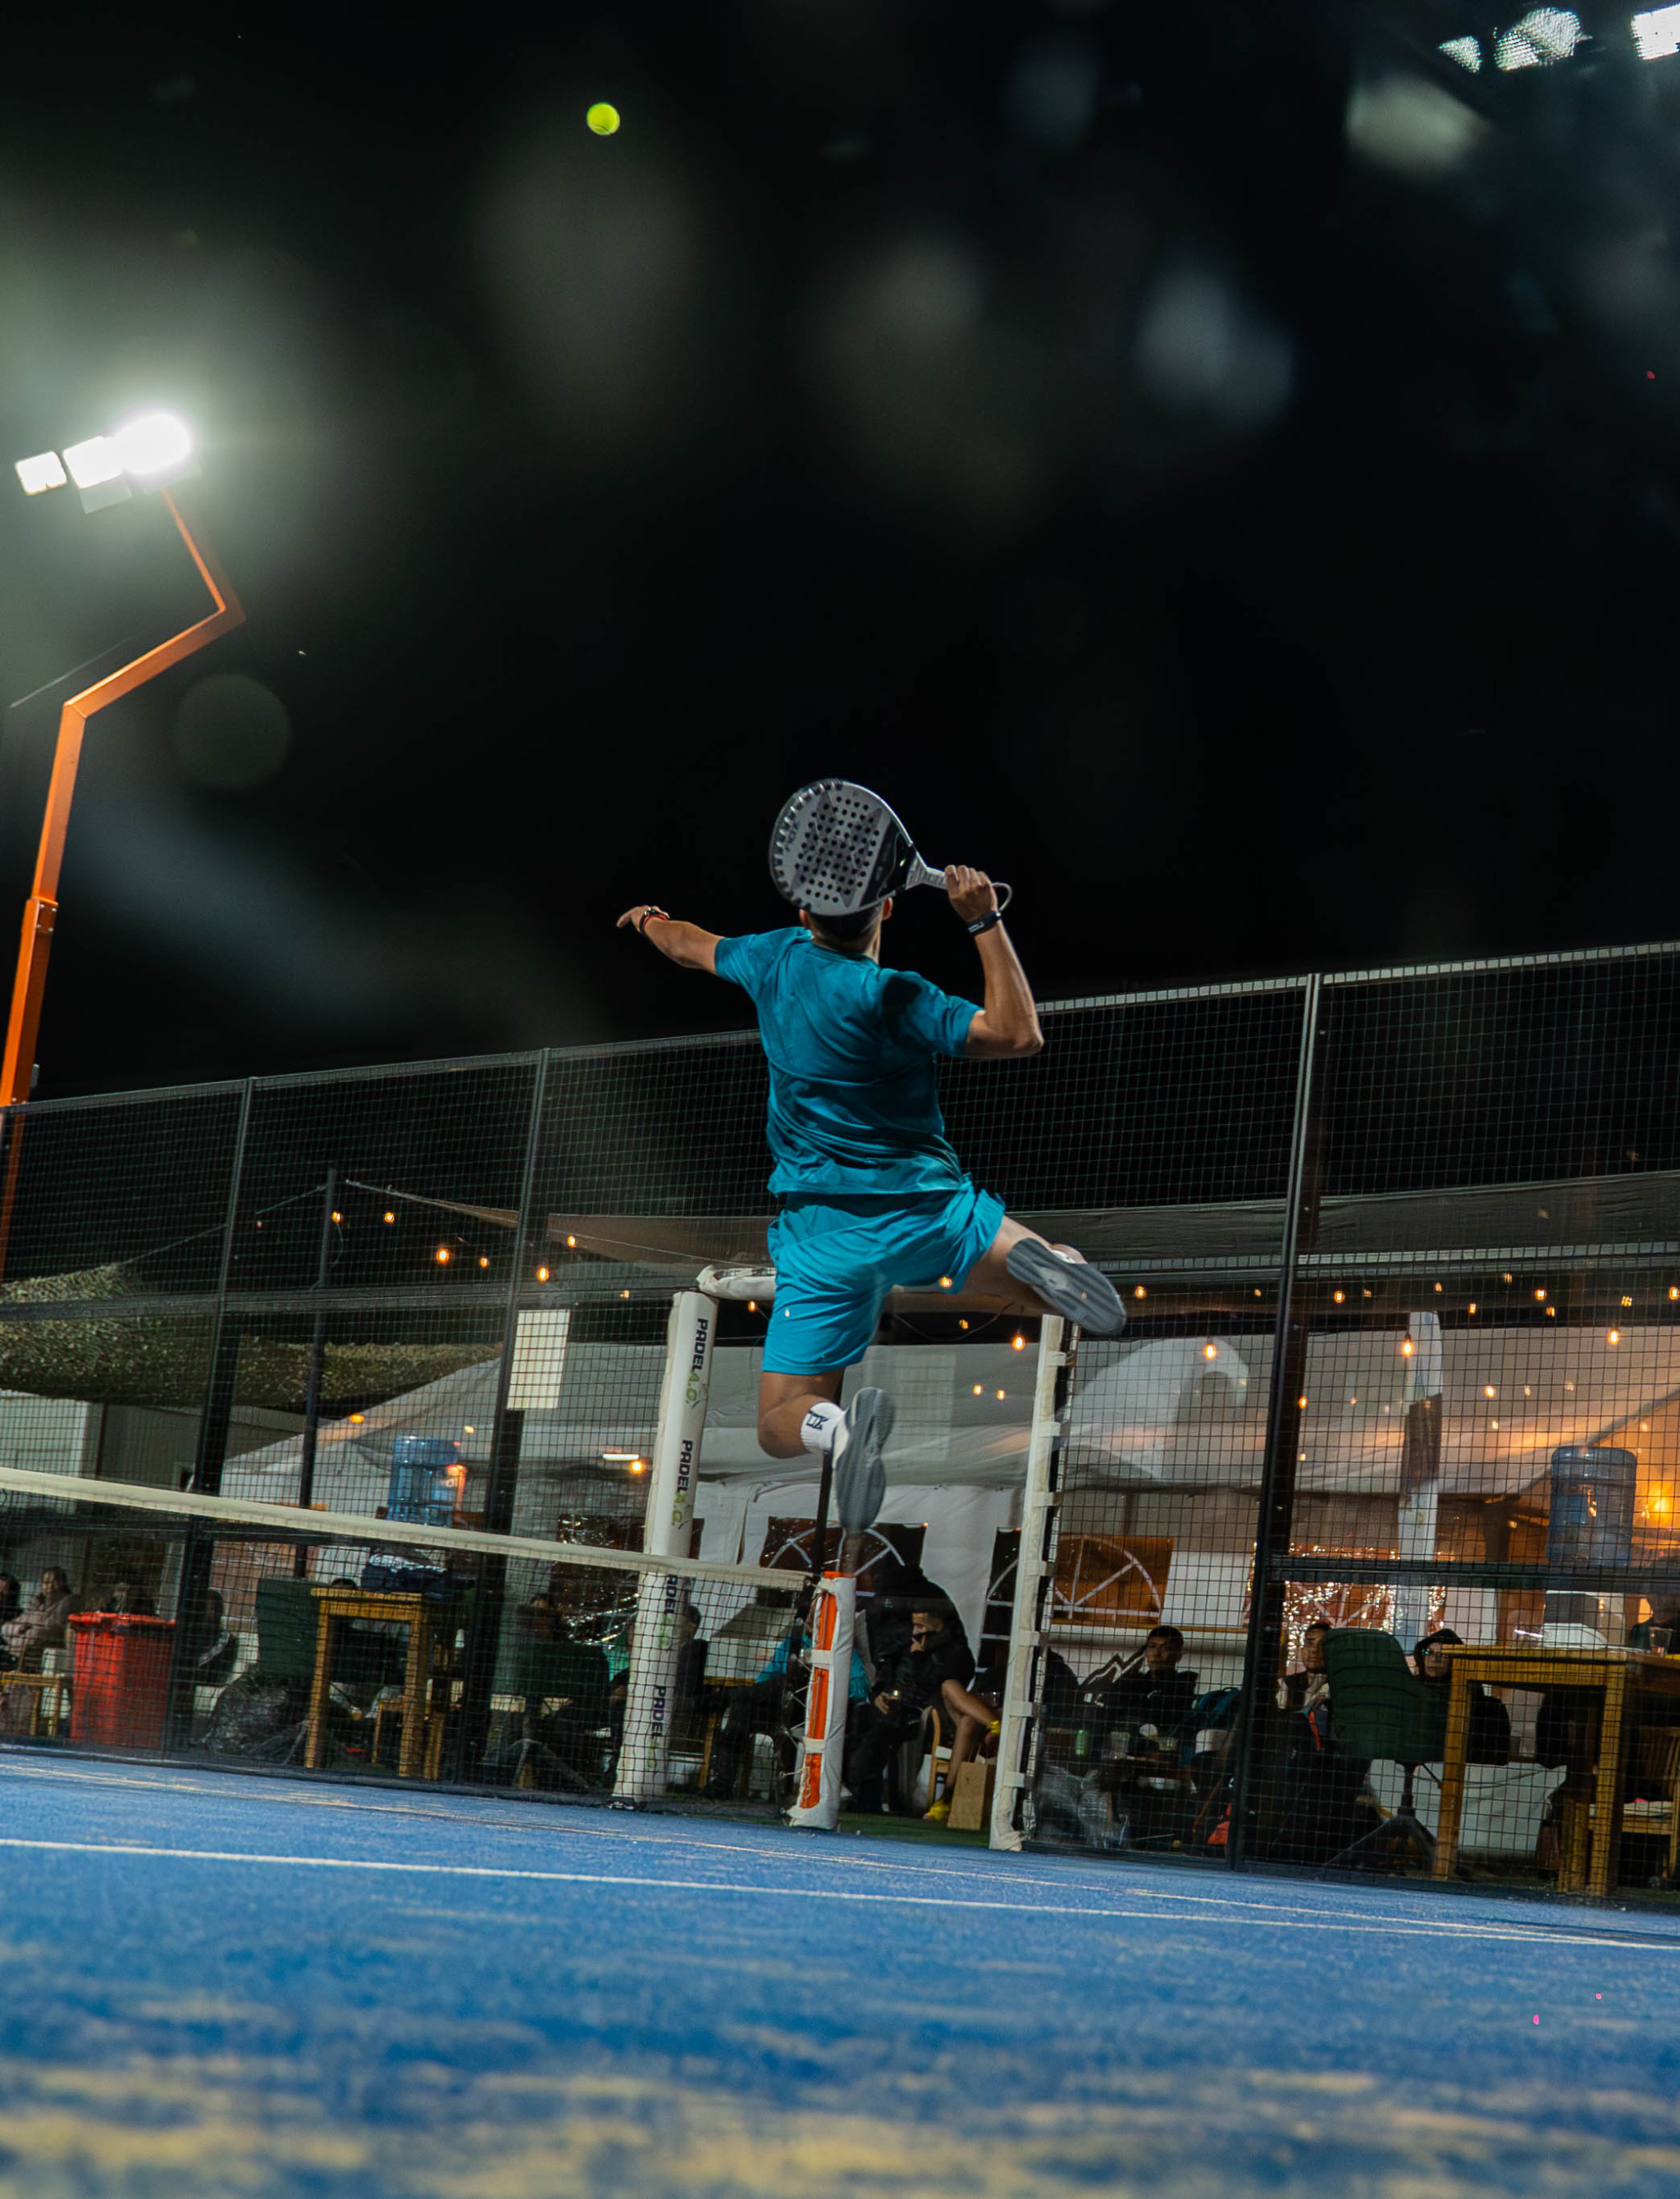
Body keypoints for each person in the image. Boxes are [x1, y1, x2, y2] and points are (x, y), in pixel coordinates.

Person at [618, 845, 1125, 1494]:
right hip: (926, 1213)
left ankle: (836, 1429)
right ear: (886, 908)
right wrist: (983, 919)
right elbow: (1018, 1034)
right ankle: (1059, 1261)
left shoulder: (774, 957)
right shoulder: (897, 996)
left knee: (776, 1421)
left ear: (804, 914)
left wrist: (649, 919)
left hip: (823, 1240)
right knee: (1039, 1288)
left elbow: (687, 945)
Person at [705, 1595, 868, 1800]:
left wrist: (821, 1675)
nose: (811, 1617)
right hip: (781, 1708)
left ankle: (722, 1698)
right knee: (746, 1703)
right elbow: (765, 1679)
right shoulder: (792, 1642)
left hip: (816, 1712)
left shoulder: (841, 1648)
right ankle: (722, 1783)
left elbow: (859, 1689)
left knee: (780, 1682)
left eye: (817, 1612)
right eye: (810, 1612)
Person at [848, 1601, 975, 1815]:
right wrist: (879, 1694)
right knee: (860, 1716)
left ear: (938, 1623)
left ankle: (871, 1796)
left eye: (921, 1626)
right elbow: (886, 1673)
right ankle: (860, 1792)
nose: (915, 1631)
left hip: (922, 1711)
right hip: (894, 1704)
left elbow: (948, 1684)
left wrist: (924, 1654)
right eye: (914, 1625)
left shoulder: (955, 1652)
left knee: (885, 1727)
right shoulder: (906, 1645)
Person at [1412, 1627, 1509, 1764]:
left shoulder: (1475, 1698)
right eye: (1428, 1652)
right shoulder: (1411, 1690)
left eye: (1443, 1655)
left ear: (1455, 1661)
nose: (1434, 1659)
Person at [1086, 1625, 1199, 1743]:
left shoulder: (1183, 1687)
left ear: (1178, 1656)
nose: (1156, 1653)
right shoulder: (1130, 1683)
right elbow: (1103, 1716)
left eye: (1165, 1648)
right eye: (1152, 1647)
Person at [0, 1567, 75, 1667]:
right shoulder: (37, 1603)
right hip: (21, 1643)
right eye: (46, 1583)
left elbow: (52, 1625)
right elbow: (9, 1627)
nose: (50, 1586)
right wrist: (22, 1627)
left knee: (32, 1634)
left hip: (48, 1644)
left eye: (55, 1582)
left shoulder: (67, 1602)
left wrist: (32, 1622)